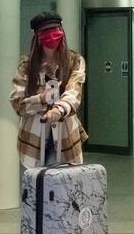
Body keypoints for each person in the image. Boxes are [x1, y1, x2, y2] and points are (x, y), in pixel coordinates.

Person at [10, 12, 88, 169]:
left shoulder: (74, 61)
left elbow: (74, 91)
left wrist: (59, 109)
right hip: (34, 141)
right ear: (37, 37)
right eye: (45, 33)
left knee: (64, 189)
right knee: (37, 189)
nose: (51, 39)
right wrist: (41, 99)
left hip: (66, 139)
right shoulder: (27, 65)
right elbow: (18, 103)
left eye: (55, 31)